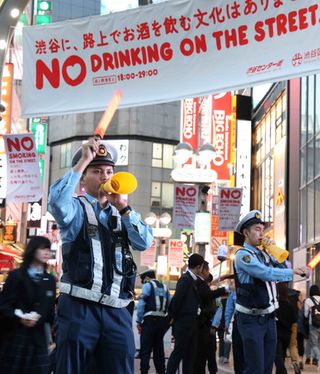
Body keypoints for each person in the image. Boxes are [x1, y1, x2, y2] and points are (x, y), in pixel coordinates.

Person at [48, 138, 153, 374]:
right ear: (83, 179)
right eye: (96, 171)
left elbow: (144, 242)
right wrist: (83, 160)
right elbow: (56, 202)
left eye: (109, 171)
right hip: (79, 307)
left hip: (118, 310)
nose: (105, 177)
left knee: (120, 367)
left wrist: (124, 208)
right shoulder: (75, 208)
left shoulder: (123, 214)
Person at [234, 210, 309, 374]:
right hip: (250, 319)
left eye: (262, 229)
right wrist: (293, 272)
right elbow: (265, 273)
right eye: (257, 229)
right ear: (246, 233)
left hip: (268, 318)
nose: (261, 233)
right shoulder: (243, 255)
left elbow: (283, 268)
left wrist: (273, 250)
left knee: (268, 368)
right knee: (256, 369)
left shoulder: (263, 254)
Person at [0, 236, 56, 373]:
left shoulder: (49, 280)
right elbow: (3, 305)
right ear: (32, 250)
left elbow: (49, 314)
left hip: (39, 340)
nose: (47, 252)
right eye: (43, 248)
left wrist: (53, 340)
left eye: (49, 249)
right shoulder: (16, 276)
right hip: (15, 336)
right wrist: (19, 317)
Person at [166, 253, 204, 374]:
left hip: (191, 325)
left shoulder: (193, 280)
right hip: (183, 325)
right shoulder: (185, 279)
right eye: (202, 267)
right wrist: (172, 317)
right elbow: (177, 300)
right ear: (199, 267)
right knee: (178, 354)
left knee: (189, 357)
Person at [194, 261, 229, 374]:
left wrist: (214, 326)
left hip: (210, 329)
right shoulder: (201, 292)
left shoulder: (214, 296)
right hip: (202, 328)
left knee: (210, 356)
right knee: (201, 357)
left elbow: (218, 310)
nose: (208, 285)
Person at [136, 269, 171, 374]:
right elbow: (169, 304)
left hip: (149, 321)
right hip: (162, 322)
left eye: (143, 280)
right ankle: (161, 371)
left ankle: (144, 371)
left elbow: (141, 303)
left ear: (146, 278)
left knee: (145, 350)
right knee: (159, 350)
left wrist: (139, 320)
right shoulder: (165, 287)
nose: (144, 283)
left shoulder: (147, 286)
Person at [274, 282, 297, 374]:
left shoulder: (275, 306)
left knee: (278, 358)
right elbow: (294, 319)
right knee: (282, 356)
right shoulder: (290, 305)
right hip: (287, 335)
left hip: (277, 334)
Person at [224, 290, 244, 374]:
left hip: (253, 323)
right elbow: (229, 308)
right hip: (238, 322)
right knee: (238, 351)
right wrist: (227, 323)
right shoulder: (234, 293)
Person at [304, 284, 320, 371]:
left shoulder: (308, 300)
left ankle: (318, 357)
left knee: (314, 344)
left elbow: (306, 314)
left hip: (313, 324)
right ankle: (317, 360)